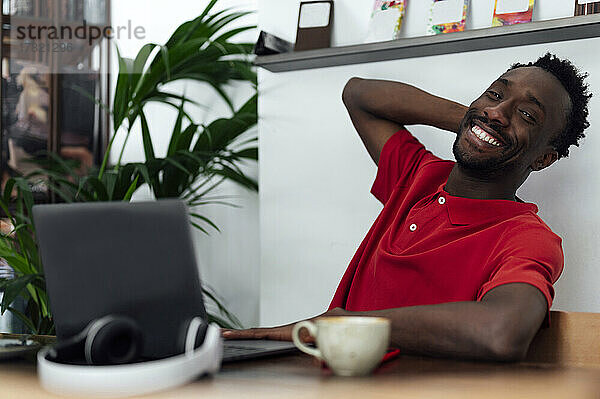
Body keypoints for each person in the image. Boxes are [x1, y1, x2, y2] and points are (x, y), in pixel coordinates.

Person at [223, 53, 592, 361]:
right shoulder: (418, 175)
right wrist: (478, 123)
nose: (498, 110)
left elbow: (502, 332)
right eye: (495, 94)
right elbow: (359, 95)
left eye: (528, 115)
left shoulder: (526, 238)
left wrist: (347, 323)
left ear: (543, 158)